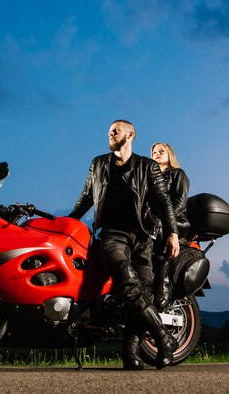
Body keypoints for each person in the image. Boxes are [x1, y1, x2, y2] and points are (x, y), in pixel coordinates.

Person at [69, 120, 180, 370]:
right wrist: (64, 223)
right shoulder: (98, 164)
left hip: (142, 237)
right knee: (128, 283)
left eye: (116, 129)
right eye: (109, 129)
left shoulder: (147, 166)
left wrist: (172, 233)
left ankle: (130, 356)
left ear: (131, 135)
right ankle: (163, 338)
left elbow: (163, 202)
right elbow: (85, 198)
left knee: (144, 292)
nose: (110, 132)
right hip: (112, 235)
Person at [150, 142, 191, 311]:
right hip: (153, 221)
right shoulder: (149, 177)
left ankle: (163, 286)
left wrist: (163, 219)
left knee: (157, 232)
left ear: (170, 155)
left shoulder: (178, 174)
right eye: (154, 152)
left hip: (176, 221)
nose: (157, 154)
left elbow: (180, 203)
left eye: (161, 151)